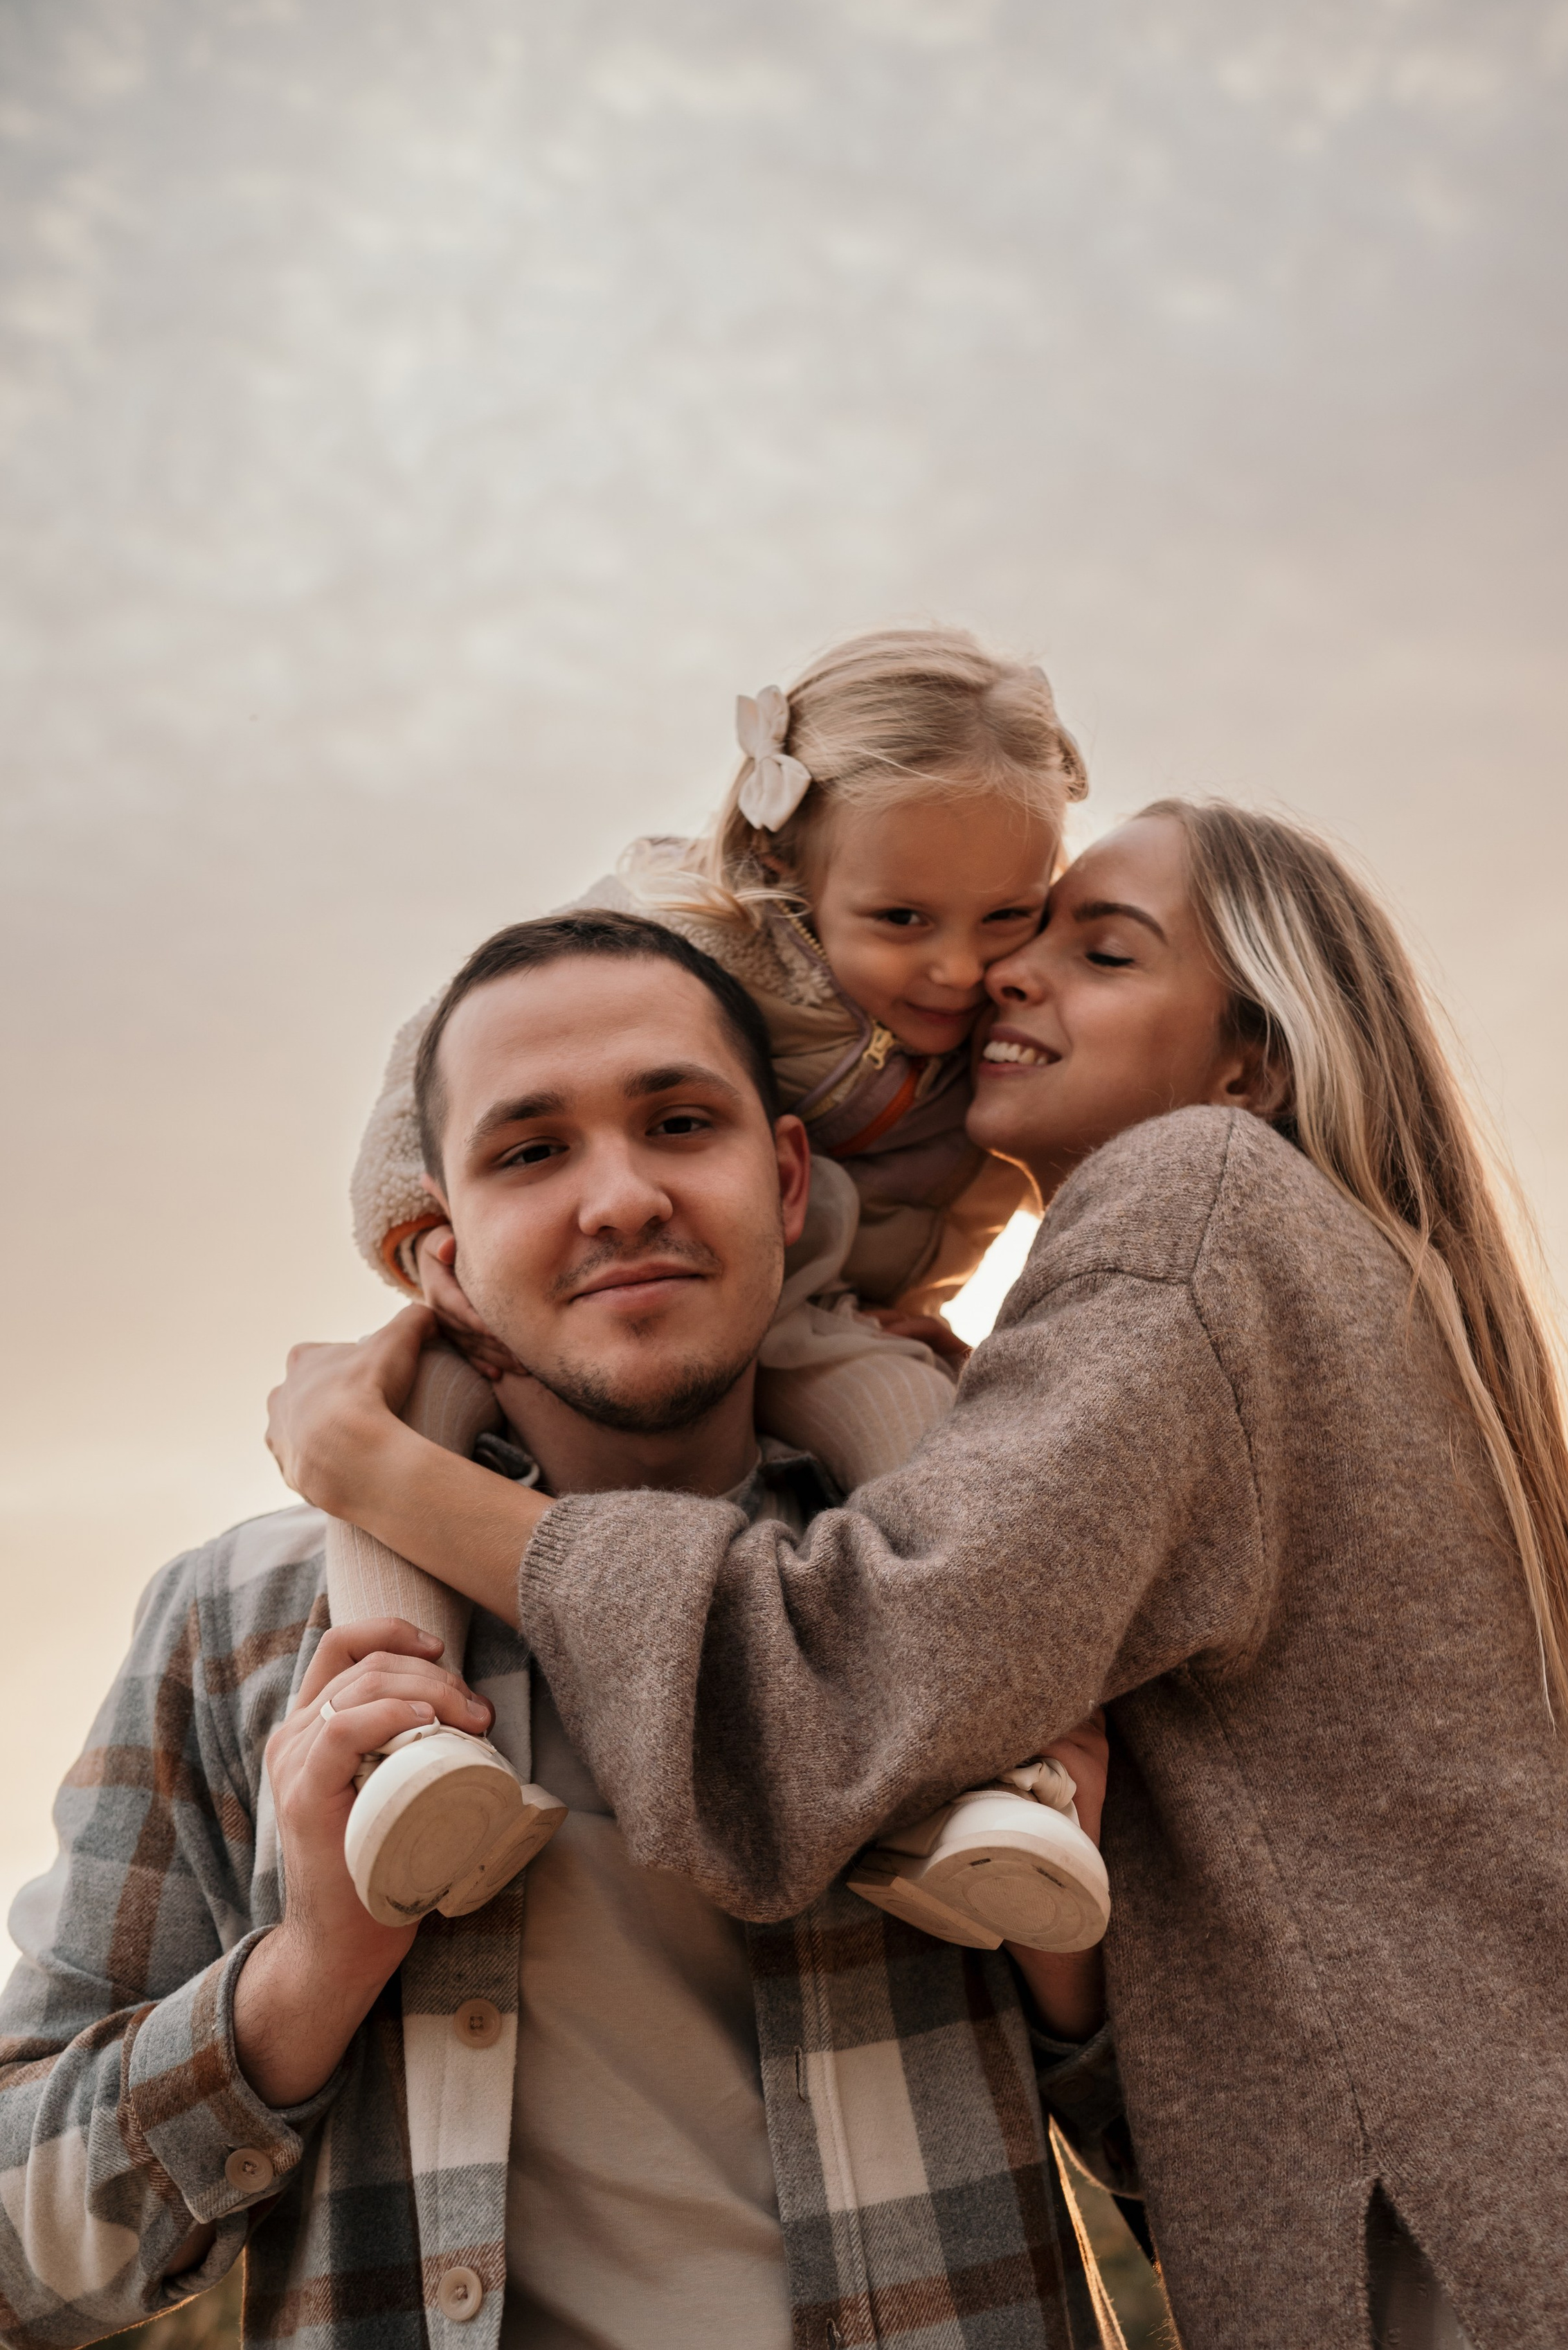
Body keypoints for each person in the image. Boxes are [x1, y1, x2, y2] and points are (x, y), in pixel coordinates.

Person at [275, 802, 1568, 2350]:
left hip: (1497, 2301)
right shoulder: (1309, 1264)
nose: (1008, 974)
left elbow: (847, 1684)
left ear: (1252, 1054)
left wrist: (376, 1468)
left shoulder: (1195, 1204)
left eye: (1101, 948)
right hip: (1559, 2255)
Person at [0, 908, 1250, 2350]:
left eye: (678, 1121)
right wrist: (302, 1977)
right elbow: (18, 2255)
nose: (618, 1197)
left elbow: (1241, 2175)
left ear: (791, 1177)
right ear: (435, 1256)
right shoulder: (248, 1632)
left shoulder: (965, 1593)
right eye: (531, 1149)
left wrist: (1066, 1973)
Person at [335, 625, 1109, 1950]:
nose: (953, 966)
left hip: (808, 1315)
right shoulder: (678, 940)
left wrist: (929, 1297)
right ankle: (405, 1739)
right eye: (903, 920)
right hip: (540, 1300)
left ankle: (1005, 1788)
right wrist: (433, 1252)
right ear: (781, 865)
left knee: (944, 1463)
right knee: (401, 1421)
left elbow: (993, 1184)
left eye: (1006, 917)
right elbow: (446, 1085)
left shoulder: (994, 1028)